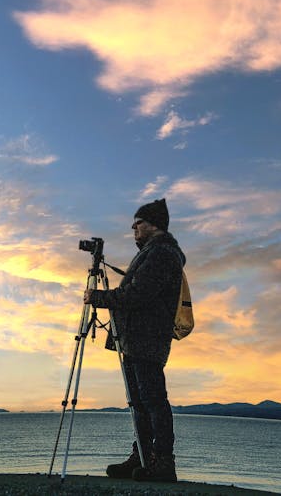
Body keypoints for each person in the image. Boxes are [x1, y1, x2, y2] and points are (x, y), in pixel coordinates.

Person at [83, 198, 185, 483]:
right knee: (138, 401)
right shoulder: (153, 252)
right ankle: (142, 456)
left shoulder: (162, 253)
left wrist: (99, 298)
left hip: (148, 337)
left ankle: (163, 461)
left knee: (152, 400)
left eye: (138, 223)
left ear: (153, 225)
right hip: (135, 337)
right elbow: (137, 291)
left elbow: (139, 294)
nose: (133, 228)